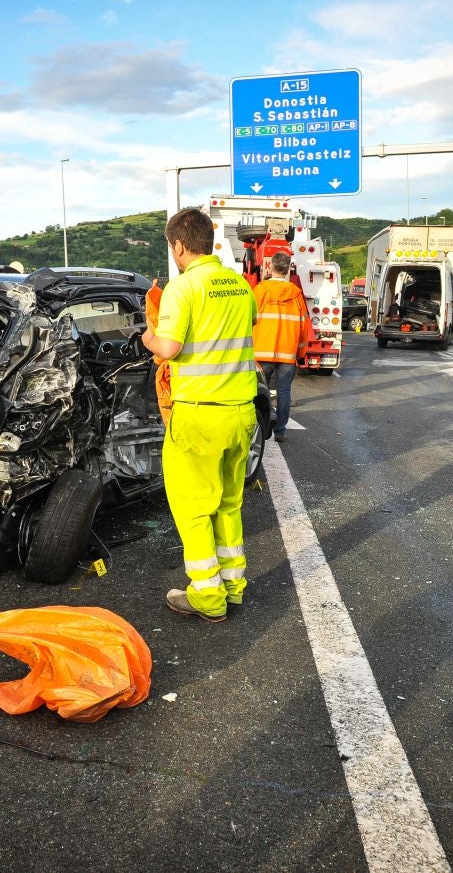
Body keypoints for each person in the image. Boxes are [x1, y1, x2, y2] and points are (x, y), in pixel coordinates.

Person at [142, 208, 258, 623]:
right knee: (228, 504)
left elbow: (168, 349)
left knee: (193, 509)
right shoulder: (240, 286)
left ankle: (207, 598)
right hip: (241, 412)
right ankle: (233, 586)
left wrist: (146, 336)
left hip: (199, 415)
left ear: (177, 245)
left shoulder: (183, 287)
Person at [252, 252, 308, 443]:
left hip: (262, 351)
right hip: (287, 353)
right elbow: (303, 326)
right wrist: (300, 353)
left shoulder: (260, 291)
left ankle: (262, 424)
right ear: (288, 269)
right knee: (284, 392)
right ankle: (281, 431)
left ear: (270, 267)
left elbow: (248, 320)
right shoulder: (296, 294)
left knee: (260, 390)